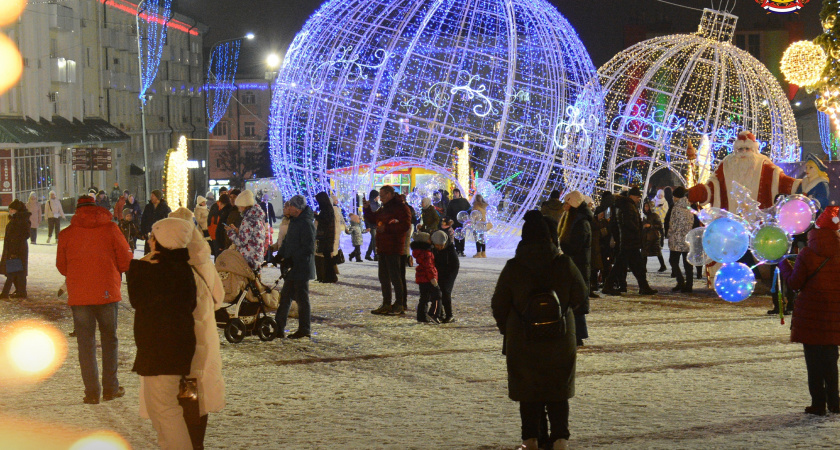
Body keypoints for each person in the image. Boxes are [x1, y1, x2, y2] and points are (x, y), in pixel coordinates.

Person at [491, 210, 587, 450]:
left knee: (529, 389)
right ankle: (560, 439)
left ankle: (531, 439)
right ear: (550, 238)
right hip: (560, 337)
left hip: (522, 339)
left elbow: (499, 305)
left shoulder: (514, 267)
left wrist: (510, 328)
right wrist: (563, 312)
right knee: (557, 389)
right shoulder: (563, 263)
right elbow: (581, 297)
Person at [127, 218, 225, 448]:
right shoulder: (180, 267)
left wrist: (139, 267)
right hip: (171, 350)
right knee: (165, 410)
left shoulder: (164, 269)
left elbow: (138, 299)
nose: (150, 241)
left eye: (154, 236)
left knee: (165, 410)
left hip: (163, 352)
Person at [57, 195, 132, 404]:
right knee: (109, 340)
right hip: (107, 292)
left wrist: (76, 275)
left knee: (85, 344)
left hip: (79, 296)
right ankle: (111, 388)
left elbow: (61, 265)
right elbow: (126, 260)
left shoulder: (66, 234)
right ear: (96, 207)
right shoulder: (111, 229)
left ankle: (92, 393)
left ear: (77, 210)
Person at [779, 205, 840, 416]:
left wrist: (783, 265)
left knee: (814, 362)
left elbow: (795, 283)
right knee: (831, 360)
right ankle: (835, 402)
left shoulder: (807, 253)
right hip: (834, 314)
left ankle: (818, 404)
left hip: (811, 316)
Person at [688, 130, 801, 209]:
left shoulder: (763, 164)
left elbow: (779, 180)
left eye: (747, 148)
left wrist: (798, 186)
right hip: (730, 224)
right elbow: (714, 186)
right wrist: (700, 192)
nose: (743, 152)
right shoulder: (727, 163)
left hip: (758, 225)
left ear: (754, 149)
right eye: (740, 149)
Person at [364, 185, 411, 315]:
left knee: (396, 277)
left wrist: (387, 229)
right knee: (383, 277)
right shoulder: (385, 208)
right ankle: (386, 303)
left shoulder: (401, 207)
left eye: (383, 196)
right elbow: (374, 219)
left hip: (394, 246)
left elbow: (405, 225)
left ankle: (400, 303)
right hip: (383, 246)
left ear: (390, 194)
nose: (381, 198)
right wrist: (367, 209)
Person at [602, 187, 658, 296]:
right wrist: (638, 229)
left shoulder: (626, 204)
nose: (638, 199)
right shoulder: (627, 205)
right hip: (629, 241)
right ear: (631, 196)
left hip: (629, 241)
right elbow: (627, 222)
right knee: (622, 265)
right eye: (637, 197)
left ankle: (643, 286)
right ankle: (608, 285)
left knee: (637, 266)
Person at [275, 195, 316, 339]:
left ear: (297, 208)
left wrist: (292, 259)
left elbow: (309, 248)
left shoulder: (306, 223)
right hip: (292, 268)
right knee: (285, 298)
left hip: (302, 268)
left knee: (302, 299)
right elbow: (287, 242)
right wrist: (279, 255)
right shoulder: (294, 221)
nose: (288, 207)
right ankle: (278, 327)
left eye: (291, 205)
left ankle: (305, 329)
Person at [558, 191, 592, 347]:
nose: (564, 206)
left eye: (567, 203)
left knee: (576, 299)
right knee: (572, 299)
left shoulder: (581, 223)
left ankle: (578, 335)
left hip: (578, 266)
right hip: (573, 265)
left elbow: (576, 247)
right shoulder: (572, 220)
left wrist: (561, 246)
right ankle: (574, 333)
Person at [224, 189, 270, 270]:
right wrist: (237, 231)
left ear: (243, 206)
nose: (238, 208)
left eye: (238, 206)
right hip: (256, 257)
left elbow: (241, 241)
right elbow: (251, 236)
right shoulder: (256, 217)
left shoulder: (248, 220)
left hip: (248, 258)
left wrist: (230, 232)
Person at [666, 187, 694, 293]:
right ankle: (689, 285)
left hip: (676, 239)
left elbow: (672, 224)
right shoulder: (689, 207)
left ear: (676, 197)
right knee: (687, 264)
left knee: (673, 261)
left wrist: (669, 234)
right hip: (687, 239)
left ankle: (680, 281)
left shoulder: (676, 208)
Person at [1, 199, 31, 298]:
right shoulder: (17, 220)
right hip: (15, 249)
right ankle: (21, 291)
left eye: (12, 209)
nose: (10, 211)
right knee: (18, 272)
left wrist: (14, 251)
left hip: (17, 249)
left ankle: (6, 293)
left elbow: (22, 236)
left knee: (12, 272)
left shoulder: (20, 221)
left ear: (17, 210)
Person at [411, 232, 441, 323]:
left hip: (421, 278)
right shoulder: (427, 253)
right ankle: (434, 314)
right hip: (428, 278)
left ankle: (421, 316)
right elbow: (429, 267)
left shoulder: (419, 252)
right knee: (437, 296)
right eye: (429, 239)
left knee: (424, 298)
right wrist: (433, 279)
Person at [432, 229, 459, 323]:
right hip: (438, 271)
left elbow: (454, 265)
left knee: (446, 291)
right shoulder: (433, 249)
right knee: (437, 291)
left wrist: (449, 277)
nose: (439, 247)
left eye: (441, 245)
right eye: (437, 245)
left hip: (449, 272)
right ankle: (440, 313)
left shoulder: (450, 250)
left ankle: (449, 315)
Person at [314, 192, 338, 283]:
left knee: (327, 257)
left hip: (326, 236)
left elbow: (325, 221)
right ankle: (329, 276)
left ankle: (330, 277)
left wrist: (316, 216)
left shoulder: (327, 209)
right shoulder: (327, 209)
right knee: (327, 257)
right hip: (327, 236)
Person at [140, 189, 171, 254]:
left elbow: (168, 221)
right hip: (149, 235)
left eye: (153, 196)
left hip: (160, 236)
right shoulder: (148, 207)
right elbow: (143, 220)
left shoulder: (165, 208)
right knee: (148, 253)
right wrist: (143, 232)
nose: (151, 197)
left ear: (157, 197)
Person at [642, 200, 667, 273]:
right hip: (645, 237)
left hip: (653, 237)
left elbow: (659, 226)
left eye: (647, 206)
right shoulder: (644, 215)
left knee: (657, 252)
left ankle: (663, 265)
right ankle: (643, 267)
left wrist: (650, 226)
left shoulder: (655, 215)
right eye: (645, 206)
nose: (646, 208)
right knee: (644, 253)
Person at [446, 188, 471, 257]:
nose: (455, 194)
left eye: (456, 192)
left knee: (462, 236)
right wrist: (449, 220)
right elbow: (448, 212)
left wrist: (467, 218)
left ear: (459, 193)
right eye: (454, 193)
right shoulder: (452, 202)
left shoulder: (464, 201)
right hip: (454, 221)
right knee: (456, 236)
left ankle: (462, 250)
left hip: (462, 221)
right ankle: (457, 250)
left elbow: (469, 209)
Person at [472, 193, 489, 258]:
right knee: (482, 239)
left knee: (477, 239)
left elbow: (473, 215)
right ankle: (483, 253)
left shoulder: (476, 206)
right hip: (483, 223)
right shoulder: (484, 206)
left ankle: (478, 253)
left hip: (477, 224)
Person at [364, 190, 380, 261]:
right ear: (374, 197)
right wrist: (367, 226)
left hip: (376, 224)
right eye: (377, 196)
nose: (378, 198)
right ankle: (376, 254)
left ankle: (368, 254)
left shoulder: (377, 204)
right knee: (374, 239)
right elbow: (366, 216)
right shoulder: (369, 204)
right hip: (372, 225)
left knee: (373, 240)